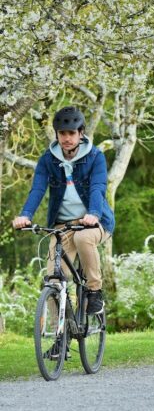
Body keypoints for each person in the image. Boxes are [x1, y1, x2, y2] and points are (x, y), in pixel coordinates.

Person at [12, 106, 115, 315]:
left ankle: (95, 291)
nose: (66, 138)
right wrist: (25, 215)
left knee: (83, 239)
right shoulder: (47, 160)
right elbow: (38, 189)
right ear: (57, 134)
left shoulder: (95, 157)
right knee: (53, 281)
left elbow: (98, 187)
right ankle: (60, 339)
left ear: (81, 133)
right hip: (63, 225)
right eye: (62, 133)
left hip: (96, 222)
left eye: (71, 133)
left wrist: (94, 213)